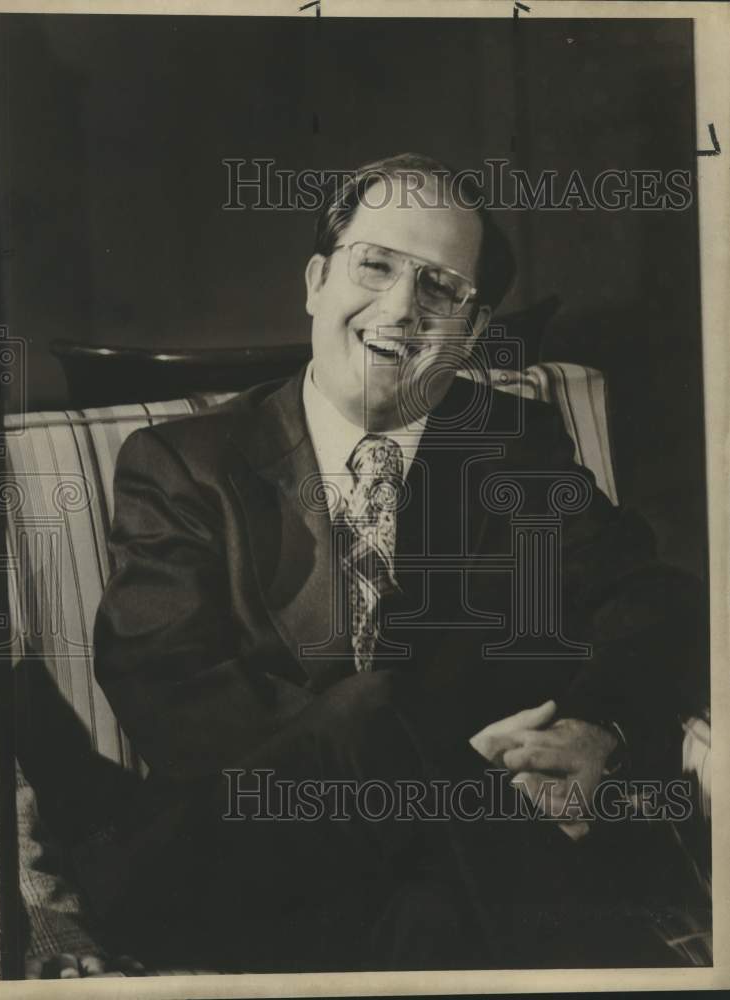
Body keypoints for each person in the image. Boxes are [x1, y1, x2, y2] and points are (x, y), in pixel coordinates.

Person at [81, 154, 704, 972]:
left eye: (440, 288)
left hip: (449, 887)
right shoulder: (181, 462)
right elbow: (168, 688)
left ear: (472, 333)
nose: (401, 309)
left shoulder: (515, 446)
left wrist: (598, 732)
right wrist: (431, 776)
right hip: (249, 858)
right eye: (374, 264)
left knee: (426, 922)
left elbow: (651, 600)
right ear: (315, 282)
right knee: (373, 711)